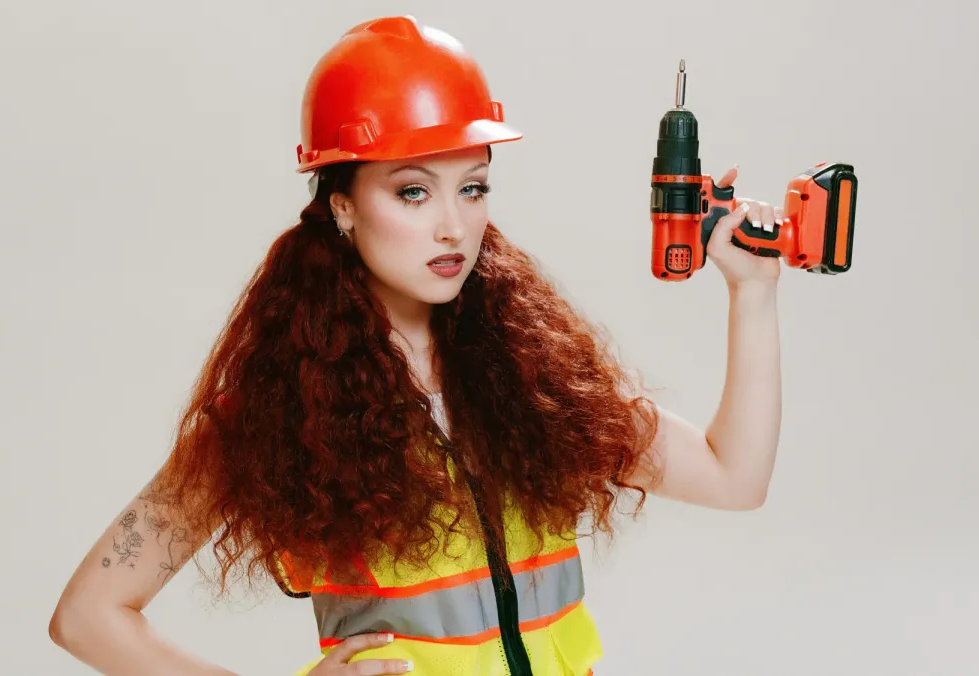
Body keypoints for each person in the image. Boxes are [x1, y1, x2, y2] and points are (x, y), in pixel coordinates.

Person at [48, 15, 783, 676]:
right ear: (342, 205)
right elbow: (89, 618)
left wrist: (753, 295)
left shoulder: (535, 376)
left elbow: (733, 478)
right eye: (412, 191)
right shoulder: (274, 411)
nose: (453, 227)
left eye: (472, 188)